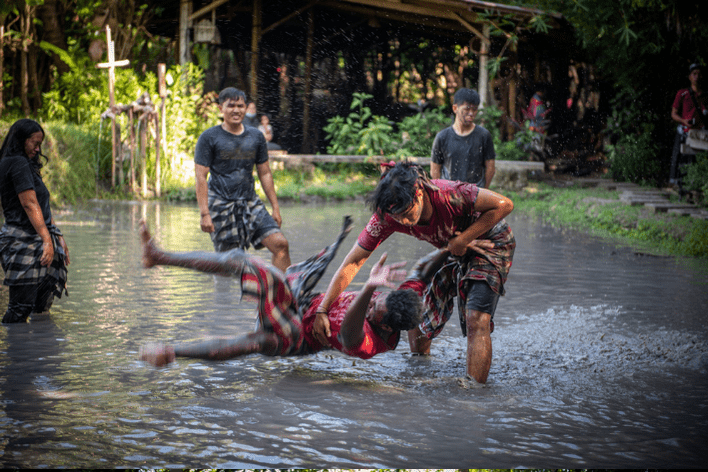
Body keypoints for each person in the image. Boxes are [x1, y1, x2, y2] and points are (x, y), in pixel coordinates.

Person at [138, 217, 451, 367]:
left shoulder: (373, 342)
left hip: (296, 338)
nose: (370, 306)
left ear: (384, 325)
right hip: (301, 301)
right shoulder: (402, 299)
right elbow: (423, 269)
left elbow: (351, 332)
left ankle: (172, 352)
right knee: (246, 261)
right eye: (376, 301)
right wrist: (454, 245)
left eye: (374, 311)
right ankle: (159, 256)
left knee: (255, 342)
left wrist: (369, 288)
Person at [312, 162, 514, 384]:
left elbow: (503, 205)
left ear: (419, 193)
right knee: (414, 300)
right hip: (451, 246)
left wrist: (463, 239)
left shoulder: (452, 194)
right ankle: (419, 364)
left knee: (476, 317)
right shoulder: (388, 214)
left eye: (407, 214)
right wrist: (323, 309)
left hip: (489, 243)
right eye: (397, 218)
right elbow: (354, 261)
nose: (404, 223)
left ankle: (474, 392)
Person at [194, 87, 290, 272]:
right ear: (221, 108)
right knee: (229, 265)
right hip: (221, 205)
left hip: (250, 202)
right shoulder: (209, 138)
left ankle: (281, 297)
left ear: (246, 108)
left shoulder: (256, 136)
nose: (236, 110)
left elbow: (265, 173)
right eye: (231, 106)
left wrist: (275, 208)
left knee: (280, 245)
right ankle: (222, 300)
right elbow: (200, 177)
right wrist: (204, 213)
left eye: (240, 106)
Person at [0, 119, 69, 323]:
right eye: (34, 143)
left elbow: (41, 205)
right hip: (23, 242)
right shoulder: (17, 163)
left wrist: (57, 236)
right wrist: (48, 241)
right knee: (19, 310)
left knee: (39, 309)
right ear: (21, 140)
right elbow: (30, 204)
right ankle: (17, 351)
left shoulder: (21, 164)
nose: (39, 149)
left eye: (40, 144)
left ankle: (40, 350)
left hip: (37, 239)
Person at [430, 88, 495, 188]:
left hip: (475, 194)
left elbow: (490, 167)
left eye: (474, 109)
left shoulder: (483, 136)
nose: (471, 113)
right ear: (455, 108)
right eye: (467, 109)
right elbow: (435, 170)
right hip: (450, 194)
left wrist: (484, 191)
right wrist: (441, 192)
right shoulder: (442, 137)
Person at [670, 63, 706, 185]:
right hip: (686, 131)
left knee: (698, 159)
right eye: (694, 74)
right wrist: (683, 121)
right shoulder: (682, 93)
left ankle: (697, 184)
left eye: (699, 74)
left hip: (701, 133)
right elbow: (673, 114)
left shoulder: (705, 95)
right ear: (690, 76)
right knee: (683, 157)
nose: (697, 76)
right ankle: (678, 182)